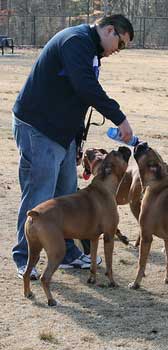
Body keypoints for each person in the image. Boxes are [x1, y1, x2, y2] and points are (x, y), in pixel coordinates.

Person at [12, 14, 134, 280]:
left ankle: (67, 254)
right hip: (38, 127)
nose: (118, 51)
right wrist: (119, 117)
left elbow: (78, 99)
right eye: (120, 44)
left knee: (67, 193)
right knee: (38, 195)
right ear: (110, 30)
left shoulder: (90, 49)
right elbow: (85, 87)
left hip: (61, 132)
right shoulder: (76, 41)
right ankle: (24, 258)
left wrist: (76, 141)